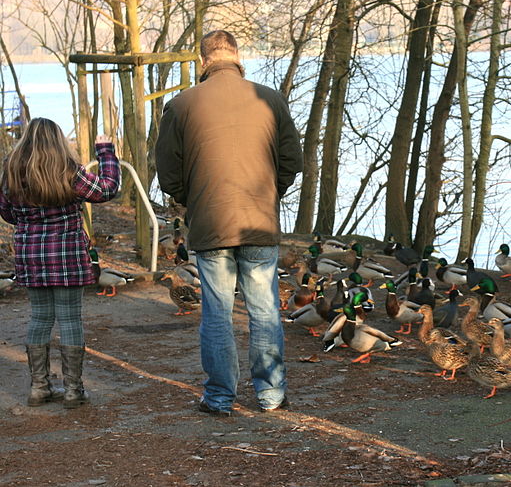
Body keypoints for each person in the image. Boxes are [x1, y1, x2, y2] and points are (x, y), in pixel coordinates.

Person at [156, 30, 303, 416]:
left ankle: (220, 397)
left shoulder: (181, 105)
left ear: (202, 61)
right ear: (238, 56)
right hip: (259, 221)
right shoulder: (270, 99)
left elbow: (168, 174)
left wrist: (195, 200)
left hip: (210, 224)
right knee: (265, 310)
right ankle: (271, 395)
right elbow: (291, 162)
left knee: (218, 312)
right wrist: (270, 194)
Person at [0, 118, 120, 409]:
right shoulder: (67, 171)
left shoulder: (11, 172)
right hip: (67, 254)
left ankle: (39, 388)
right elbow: (106, 190)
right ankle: (73, 390)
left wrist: (31, 225)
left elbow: (6, 212)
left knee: (39, 318)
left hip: (30, 256)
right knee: (69, 319)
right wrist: (105, 151)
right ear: (57, 142)